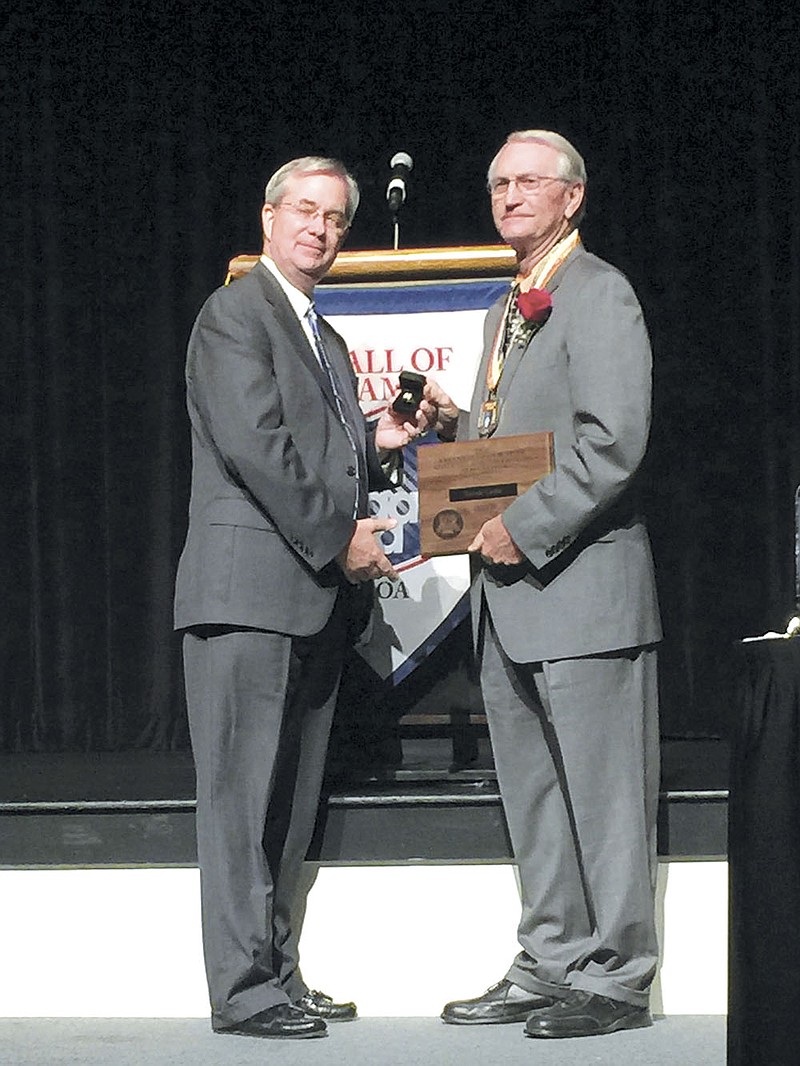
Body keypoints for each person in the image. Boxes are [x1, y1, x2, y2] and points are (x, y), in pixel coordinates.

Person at [173, 156, 431, 1040]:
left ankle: (278, 974)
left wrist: (376, 437)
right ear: (269, 218)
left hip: (311, 597)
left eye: (334, 218)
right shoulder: (234, 313)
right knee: (241, 803)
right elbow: (258, 449)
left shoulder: (323, 335)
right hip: (246, 594)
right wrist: (342, 536)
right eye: (305, 212)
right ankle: (243, 990)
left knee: (286, 807)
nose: (320, 228)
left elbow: (315, 449)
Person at [433, 130, 662, 1039]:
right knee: (532, 794)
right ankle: (553, 957)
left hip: (583, 589)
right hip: (510, 599)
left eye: (529, 181)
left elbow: (613, 444)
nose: (510, 194)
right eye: (497, 181)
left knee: (606, 801)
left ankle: (616, 977)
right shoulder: (506, 310)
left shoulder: (598, 291)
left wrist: (519, 529)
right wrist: (454, 426)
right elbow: (523, 440)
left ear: (573, 198)